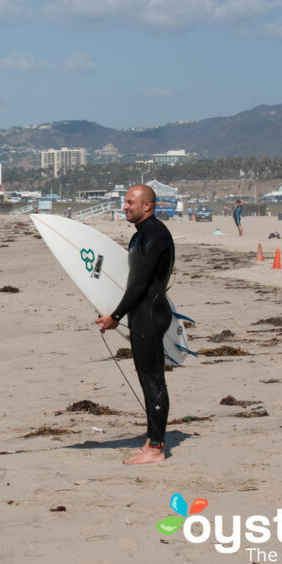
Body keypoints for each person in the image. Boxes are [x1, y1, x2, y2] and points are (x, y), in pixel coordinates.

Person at [96, 185, 175, 465]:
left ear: (148, 206)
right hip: (143, 313)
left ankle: (156, 448)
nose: (125, 206)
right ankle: (151, 438)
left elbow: (140, 283)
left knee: (153, 380)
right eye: (125, 202)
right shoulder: (141, 234)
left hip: (150, 314)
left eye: (130, 202)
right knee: (145, 378)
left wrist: (115, 316)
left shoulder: (154, 235)